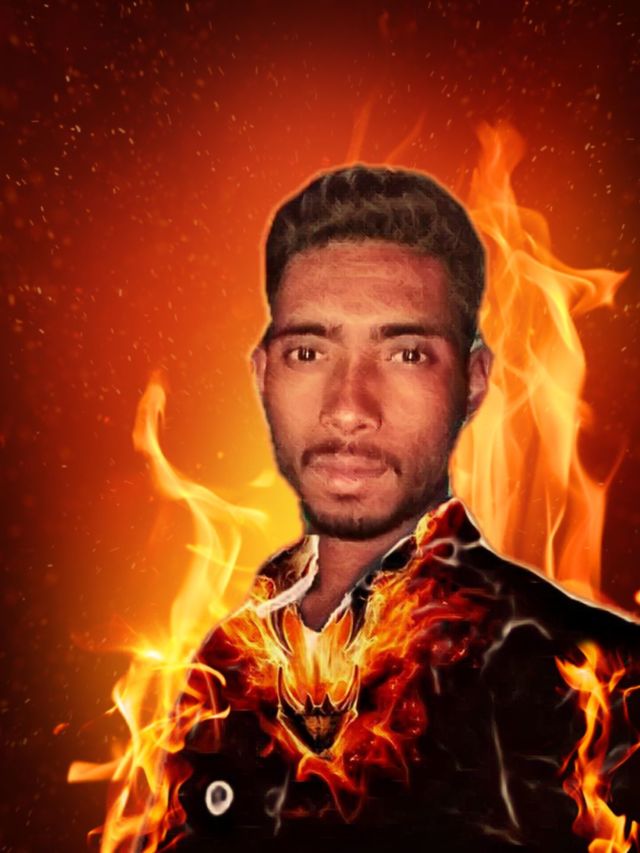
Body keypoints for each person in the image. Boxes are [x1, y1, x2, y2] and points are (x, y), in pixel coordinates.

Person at [151, 166, 640, 852]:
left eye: (406, 353)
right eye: (309, 351)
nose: (349, 406)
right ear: (264, 374)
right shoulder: (225, 671)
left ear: (473, 382)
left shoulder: (594, 677)